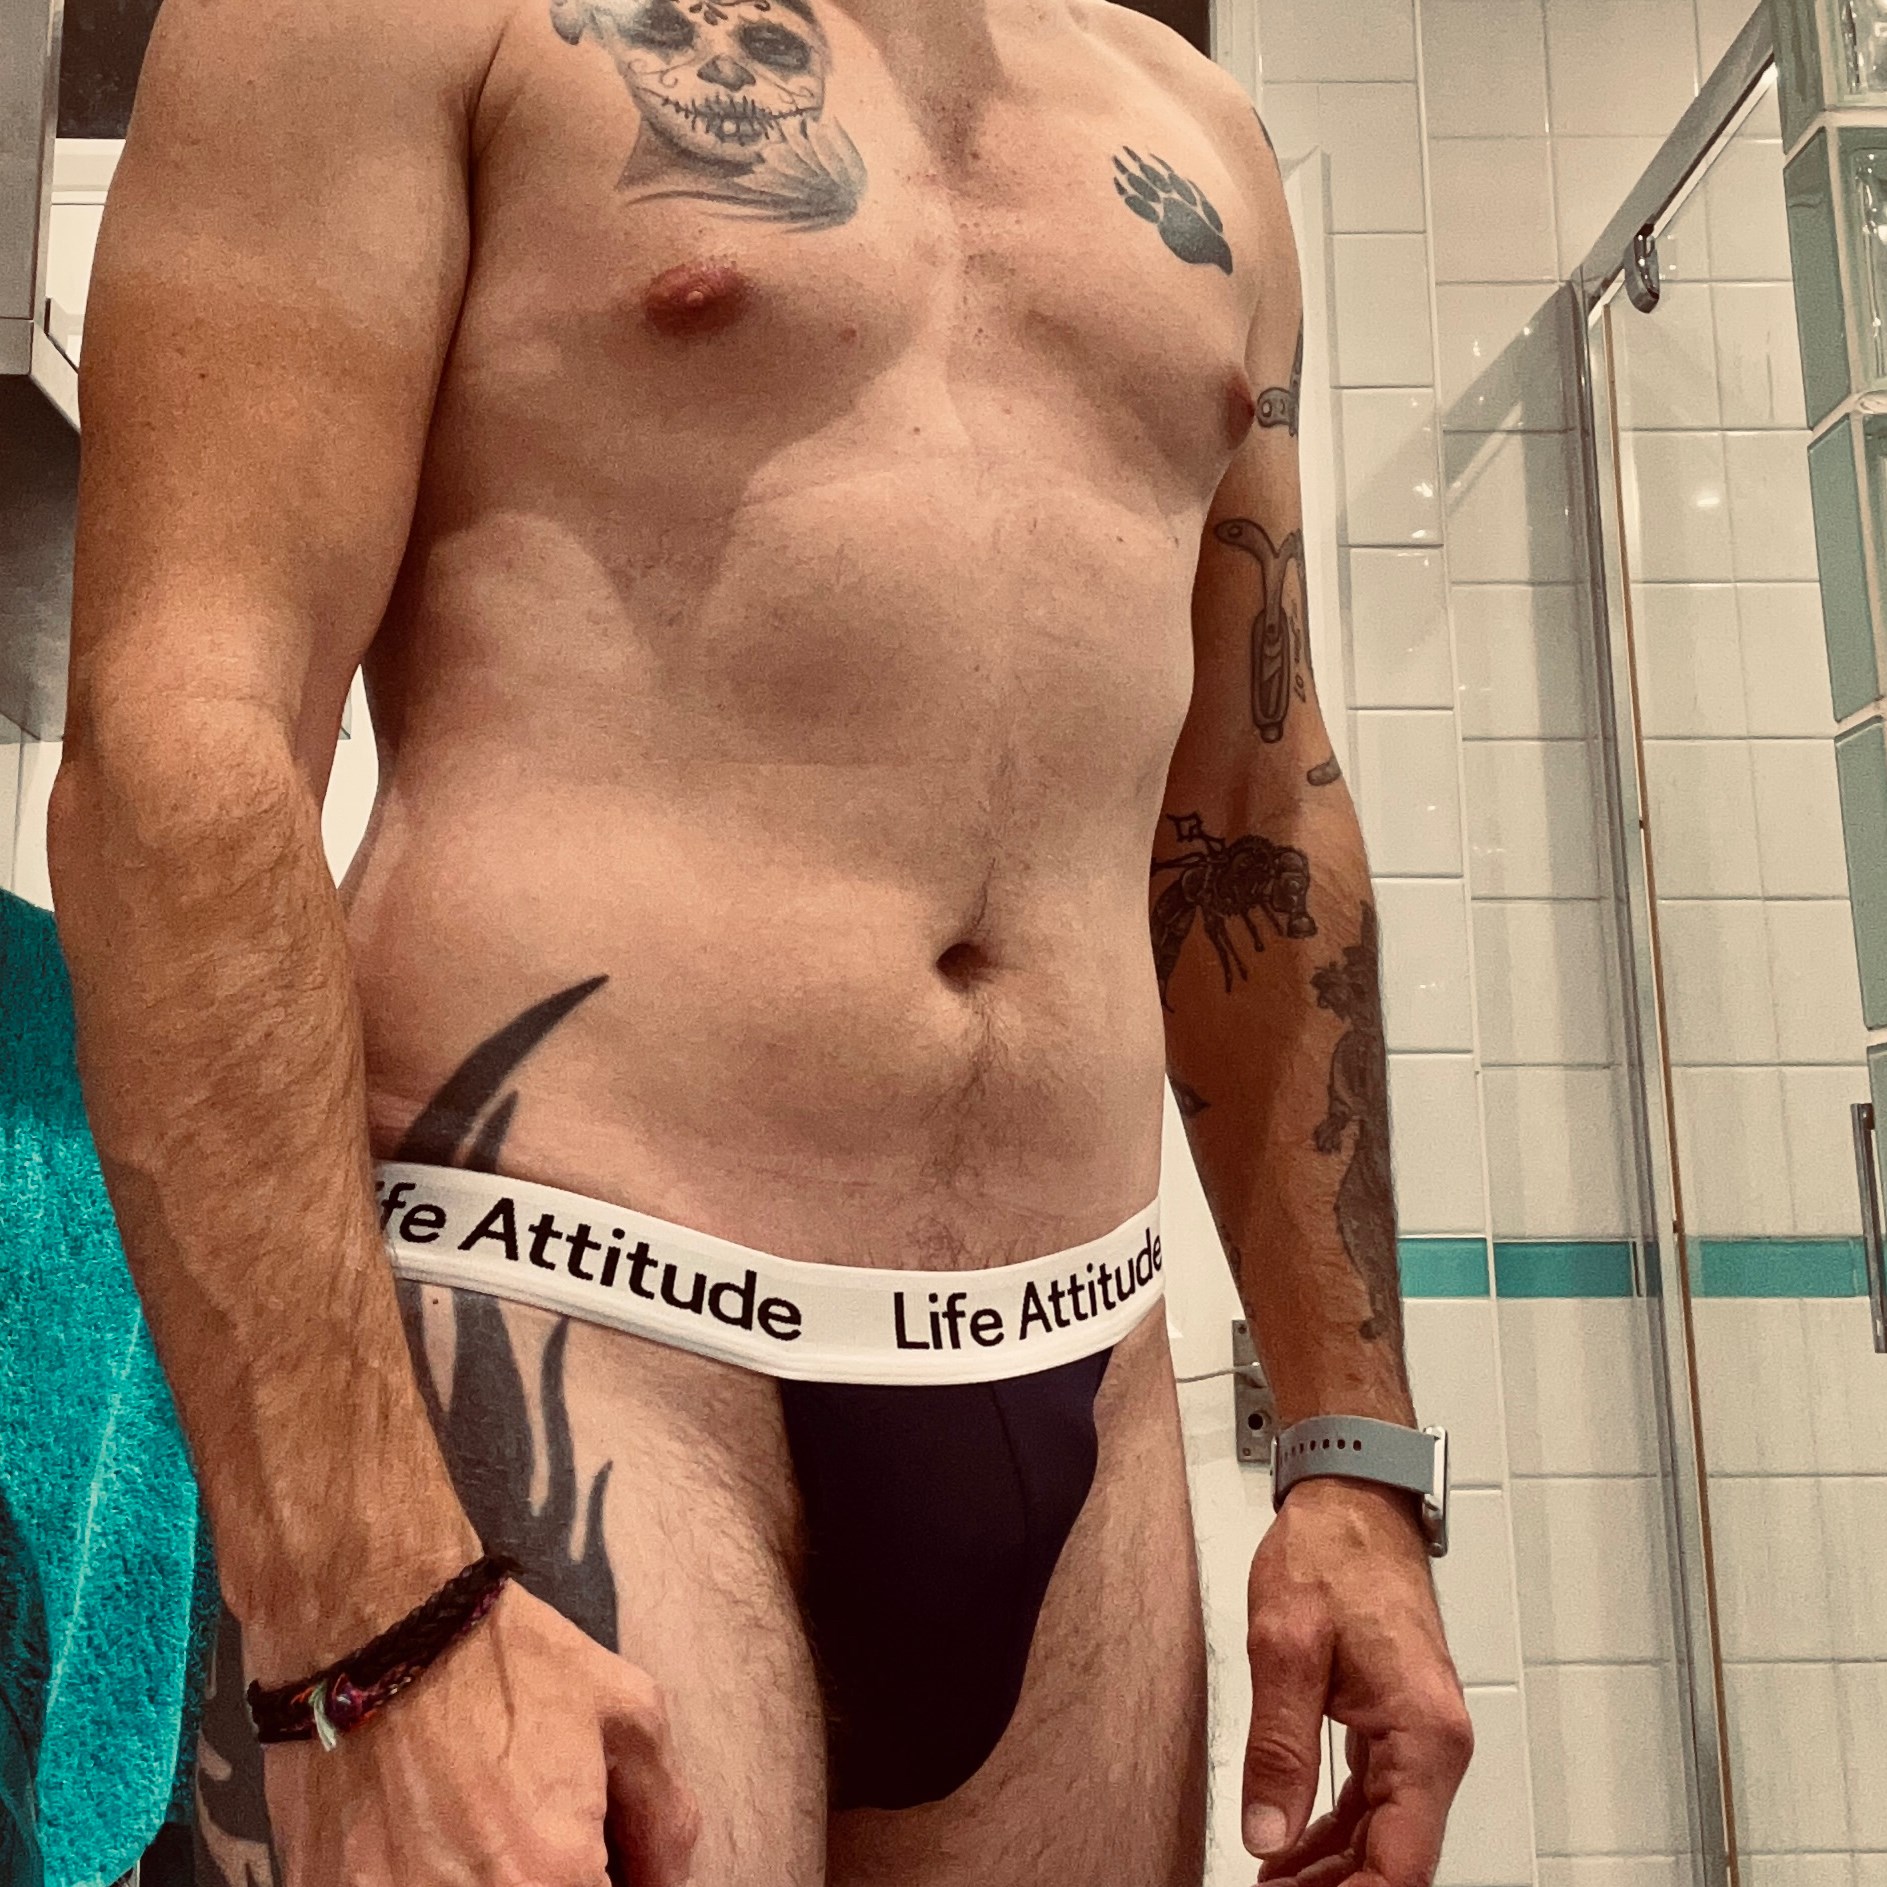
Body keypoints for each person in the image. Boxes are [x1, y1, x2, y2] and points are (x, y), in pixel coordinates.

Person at [46, 0, 1473, 1878]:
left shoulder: (1190, 123)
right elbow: (181, 741)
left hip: (1081, 1371)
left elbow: (1258, 805)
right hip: (563, 1323)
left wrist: (1354, 1457)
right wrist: (360, 1596)